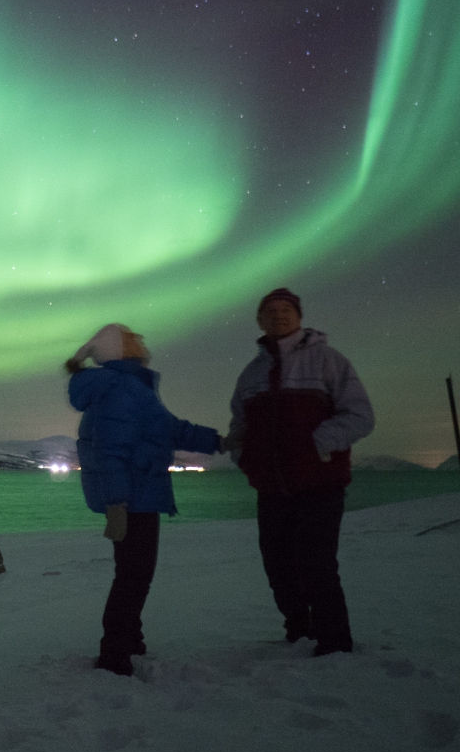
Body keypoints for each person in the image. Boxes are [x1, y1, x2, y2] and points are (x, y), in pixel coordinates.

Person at [221, 288, 375, 656]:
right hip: (272, 488)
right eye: (270, 311)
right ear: (259, 320)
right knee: (277, 566)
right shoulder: (251, 373)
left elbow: (360, 416)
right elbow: (239, 426)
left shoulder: (328, 361)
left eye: (286, 310)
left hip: (319, 483)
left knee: (317, 565)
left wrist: (317, 444)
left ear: (299, 316)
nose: (278, 316)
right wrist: (246, 460)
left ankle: (334, 642)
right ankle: (299, 629)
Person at [66, 323, 221, 675]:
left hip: (140, 493)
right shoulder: (123, 388)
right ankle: (114, 654)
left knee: (132, 573)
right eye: (133, 337)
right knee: (133, 576)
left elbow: (170, 429)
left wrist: (218, 441)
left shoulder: (131, 386)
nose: (142, 339)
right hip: (134, 497)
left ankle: (129, 643)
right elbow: (111, 450)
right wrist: (117, 503)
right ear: (121, 350)